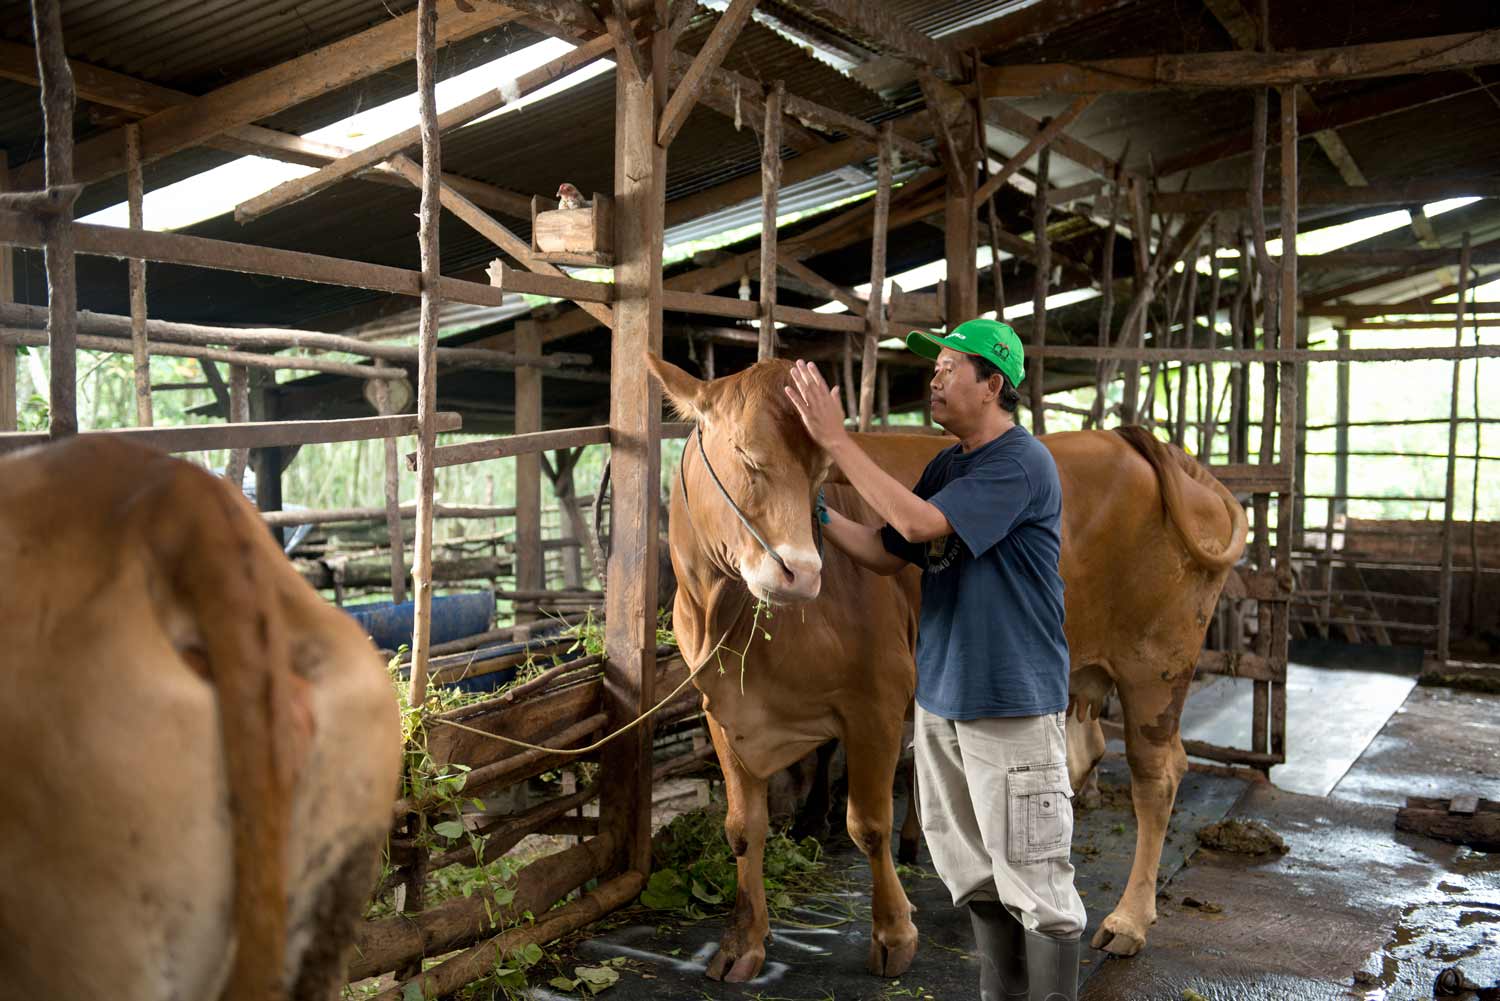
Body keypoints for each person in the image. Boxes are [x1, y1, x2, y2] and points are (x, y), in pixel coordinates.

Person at [783, 317, 1085, 1001]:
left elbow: (919, 524)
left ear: (994, 384)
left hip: (1011, 703)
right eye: (936, 366)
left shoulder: (1020, 462)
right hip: (944, 699)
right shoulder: (951, 466)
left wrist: (836, 441)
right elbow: (892, 551)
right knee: (971, 872)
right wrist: (819, 512)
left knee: (1037, 883)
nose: (935, 377)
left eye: (951, 367)